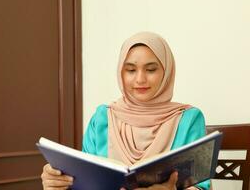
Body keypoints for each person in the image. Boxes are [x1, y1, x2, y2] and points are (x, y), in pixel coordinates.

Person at [41, 32, 210, 190]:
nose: (140, 79)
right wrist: (59, 182)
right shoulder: (102, 118)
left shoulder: (189, 119)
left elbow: (201, 187)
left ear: (167, 72)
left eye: (151, 69)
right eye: (130, 70)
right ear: (120, 73)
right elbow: (85, 182)